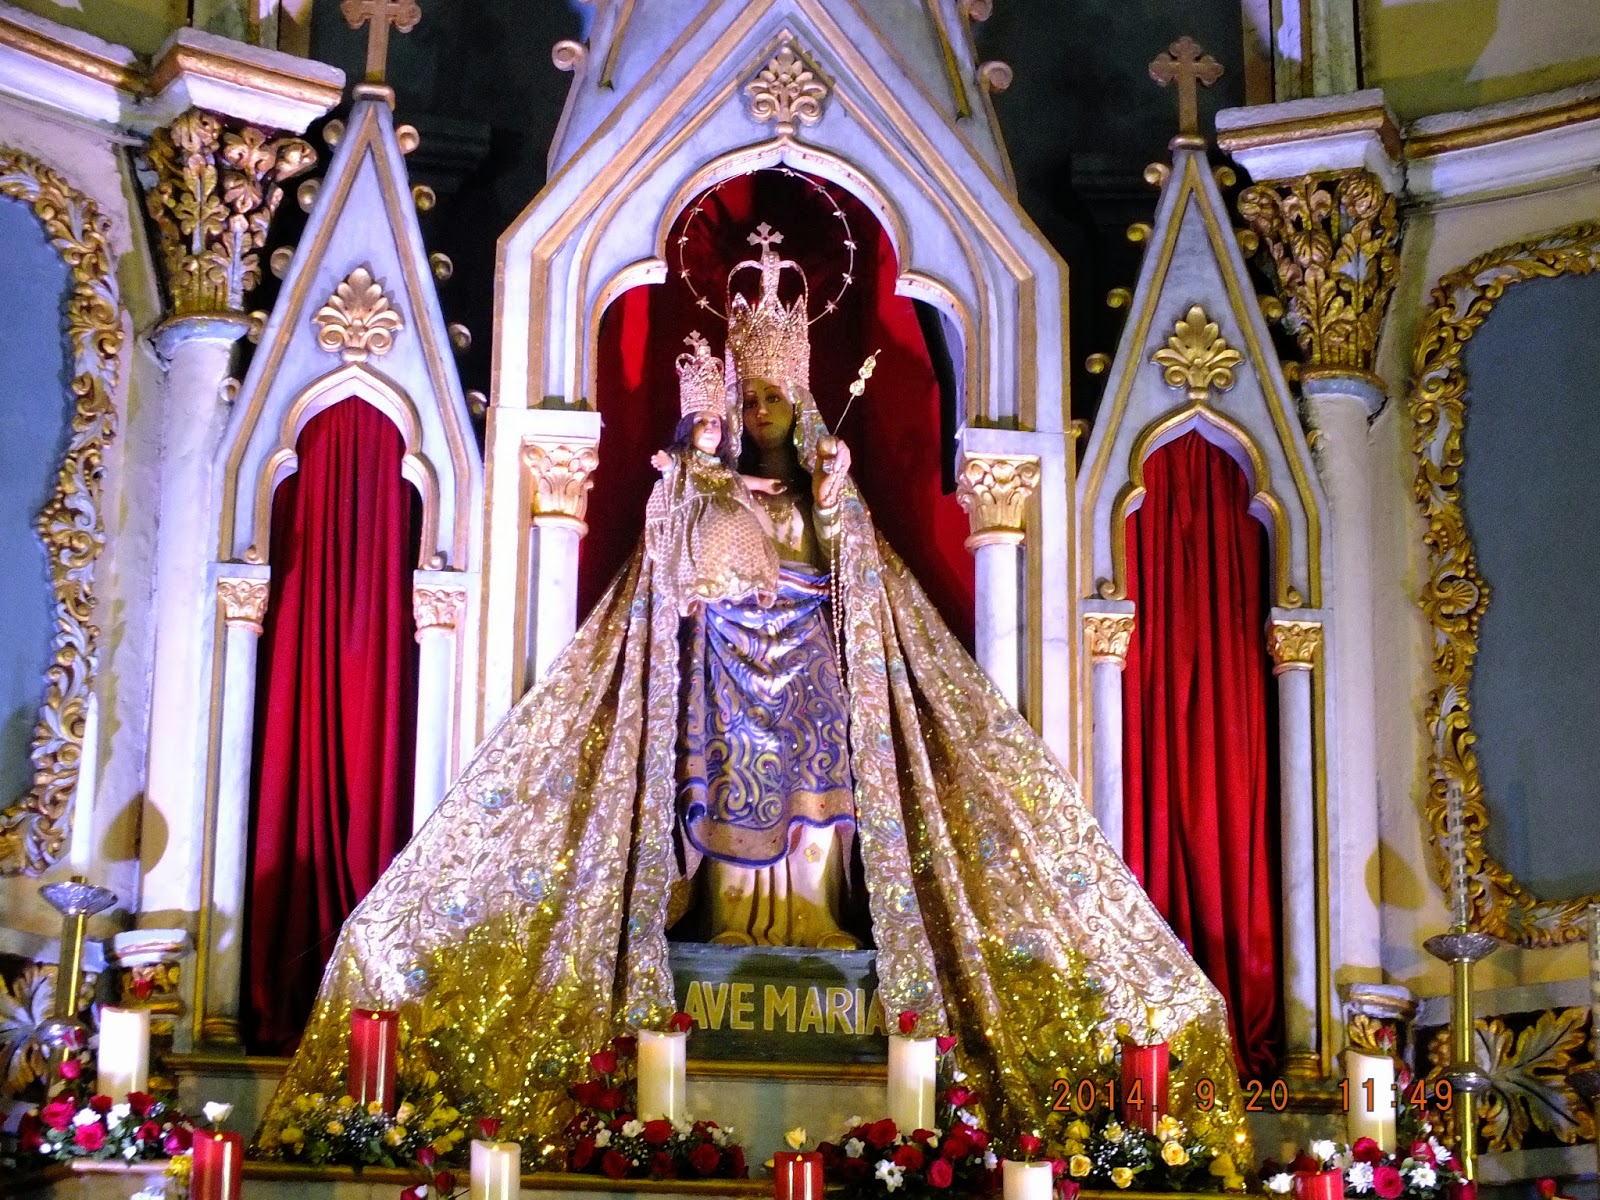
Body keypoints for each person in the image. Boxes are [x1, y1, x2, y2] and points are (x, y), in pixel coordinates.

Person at [256, 224, 1247, 1162]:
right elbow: (670, 567)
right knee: (727, 792)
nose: (765, 412)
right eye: (754, 397)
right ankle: (728, 922)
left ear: (802, 403)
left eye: (778, 397)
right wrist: (693, 467)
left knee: (819, 801)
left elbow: (861, 584)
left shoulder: (824, 492)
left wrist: (837, 493)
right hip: (725, 675)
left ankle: (815, 926)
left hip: (808, 671)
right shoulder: (707, 484)